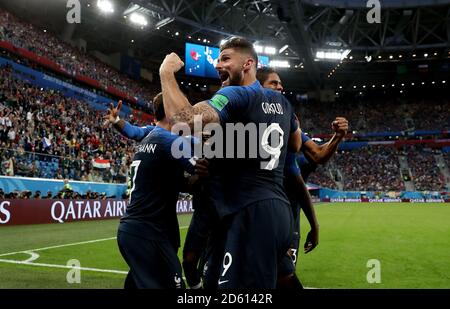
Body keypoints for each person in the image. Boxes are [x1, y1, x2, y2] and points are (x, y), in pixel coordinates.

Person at [159, 37, 302, 288]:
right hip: (277, 211)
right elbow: (295, 146)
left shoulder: (236, 93)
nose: (217, 64)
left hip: (249, 213)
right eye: (218, 59)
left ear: (248, 64)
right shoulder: (284, 104)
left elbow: (183, 121)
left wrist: (167, 73)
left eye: (225, 59)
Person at [105, 100, 215, 289]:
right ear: (174, 113)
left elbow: (133, 132)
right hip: (148, 232)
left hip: (141, 230)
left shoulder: (151, 134)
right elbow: (200, 166)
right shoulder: (168, 140)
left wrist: (117, 121)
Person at [256, 67, 348, 288]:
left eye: (280, 84)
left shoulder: (287, 125)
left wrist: (338, 136)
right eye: (273, 83)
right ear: (258, 87)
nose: (280, 87)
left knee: (281, 277)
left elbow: (316, 157)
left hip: (285, 220)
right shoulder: (247, 120)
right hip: (257, 215)